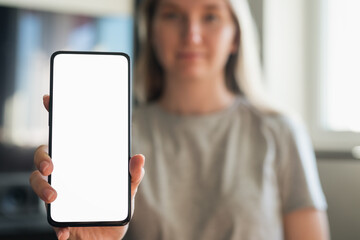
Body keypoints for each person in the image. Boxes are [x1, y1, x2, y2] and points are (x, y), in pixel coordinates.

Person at [30, 0, 330, 239]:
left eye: (210, 16)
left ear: (236, 36)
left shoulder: (280, 132)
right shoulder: (118, 133)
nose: (191, 34)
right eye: (173, 15)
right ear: (151, 31)